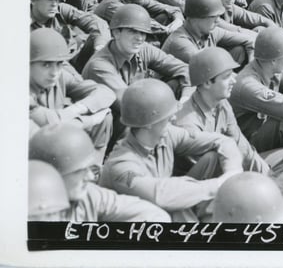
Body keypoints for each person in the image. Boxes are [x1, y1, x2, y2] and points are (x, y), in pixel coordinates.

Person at [99, 79, 243, 221]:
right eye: (167, 116)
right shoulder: (121, 165)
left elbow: (223, 141)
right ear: (149, 124)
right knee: (174, 205)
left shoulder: (166, 134)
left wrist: (232, 172)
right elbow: (160, 195)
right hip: (138, 224)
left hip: (163, 206)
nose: (173, 117)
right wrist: (219, 184)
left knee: (214, 158)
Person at [29, 123, 170, 221]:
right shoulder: (33, 215)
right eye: (79, 171)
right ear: (51, 176)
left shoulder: (89, 194)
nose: (90, 177)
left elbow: (155, 215)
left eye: (89, 168)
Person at [82, 4, 190, 116]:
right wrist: (174, 107)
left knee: (177, 82)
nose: (139, 38)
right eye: (133, 31)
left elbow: (186, 69)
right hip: (113, 125)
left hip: (139, 117)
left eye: (143, 33)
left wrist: (184, 99)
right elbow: (131, 104)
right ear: (116, 33)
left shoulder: (142, 49)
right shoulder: (99, 66)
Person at [175, 47, 270, 174]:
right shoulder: (187, 123)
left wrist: (269, 177)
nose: (233, 81)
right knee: (214, 157)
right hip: (193, 186)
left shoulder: (221, 103)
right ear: (208, 82)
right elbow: (212, 168)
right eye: (226, 77)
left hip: (221, 173)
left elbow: (242, 146)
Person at [29, 28, 114, 163]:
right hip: (30, 158)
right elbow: (50, 126)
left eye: (59, 64)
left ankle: (93, 168)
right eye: (46, 65)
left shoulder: (59, 76)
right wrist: (90, 120)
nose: (54, 72)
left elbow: (105, 92)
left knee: (106, 117)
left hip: (55, 142)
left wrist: (82, 107)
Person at [161, 0, 256, 66]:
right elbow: (211, 68)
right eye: (212, 17)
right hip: (175, 86)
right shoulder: (180, 42)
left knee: (239, 50)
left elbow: (249, 40)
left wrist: (251, 65)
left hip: (203, 78)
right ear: (195, 19)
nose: (217, 20)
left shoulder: (210, 31)